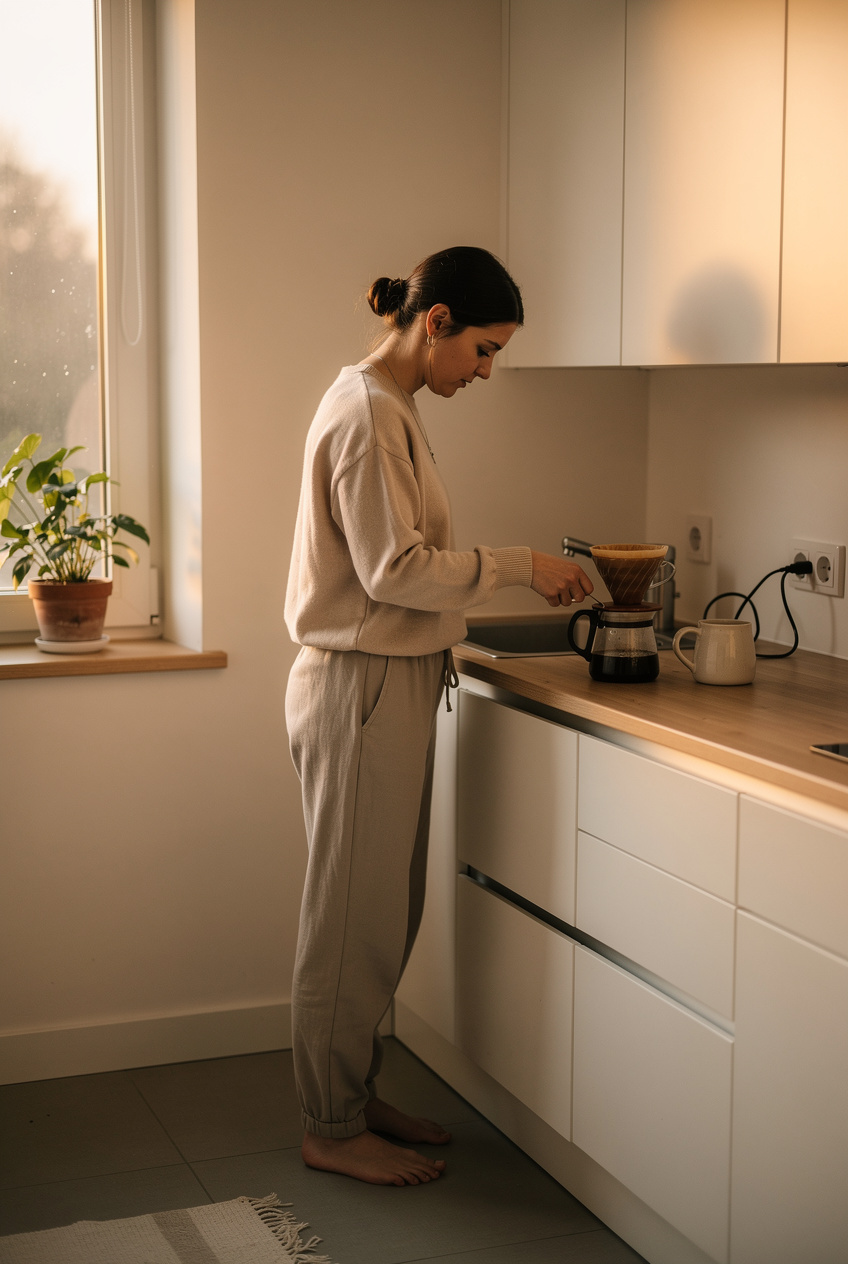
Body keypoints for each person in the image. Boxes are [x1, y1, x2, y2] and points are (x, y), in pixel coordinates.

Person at [285, 246, 593, 1187]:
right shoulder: (371, 414)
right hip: (359, 686)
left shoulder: (390, 407)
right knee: (350, 921)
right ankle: (330, 1127)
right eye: (486, 350)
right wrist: (518, 563)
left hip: (387, 680)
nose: (487, 372)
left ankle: (352, 1093)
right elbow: (393, 571)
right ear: (438, 321)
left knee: (384, 911)